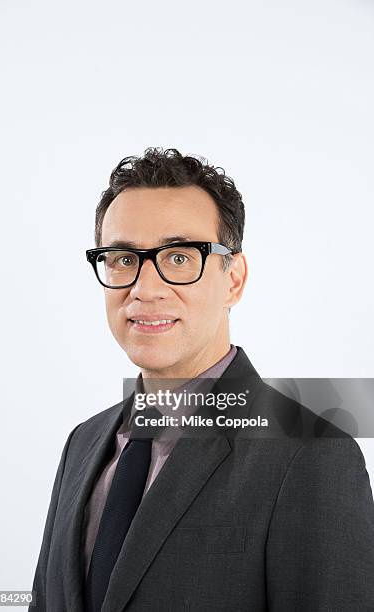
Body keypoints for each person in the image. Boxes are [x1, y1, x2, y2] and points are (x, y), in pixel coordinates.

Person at [30, 147, 374, 611]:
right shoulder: (83, 443)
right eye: (122, 258)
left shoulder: (312, 456)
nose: (145, 288)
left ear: (234, 278)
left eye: (178, 258)